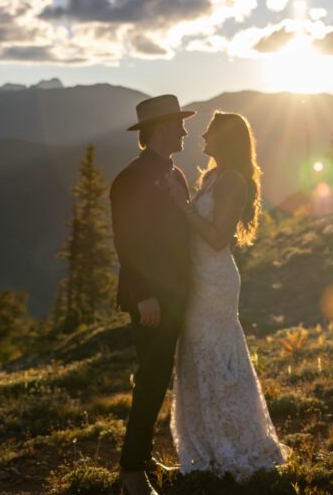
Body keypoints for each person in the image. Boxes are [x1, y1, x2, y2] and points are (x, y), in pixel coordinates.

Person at [166, 111, 290, 480]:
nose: (202, 135)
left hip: (215, 283)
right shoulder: (213, 176)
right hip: (197, 278)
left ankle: (234, 443)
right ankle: (207, 442)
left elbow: (219, 238)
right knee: (197, 357)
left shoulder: (233, 180)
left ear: (227, 139)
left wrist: (182, 205)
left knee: (216, 357)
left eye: (210, 131)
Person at [111, 94, 196, 495]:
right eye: (178, 124)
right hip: (152, 299)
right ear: (160, 129)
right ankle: (131, 470)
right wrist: (144, 295)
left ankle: (141, 457)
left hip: (176, 293)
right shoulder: (131, 178)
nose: (183, 130)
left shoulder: (174, 174)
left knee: (158, 376)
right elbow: (128, 243)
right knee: (151, 378)